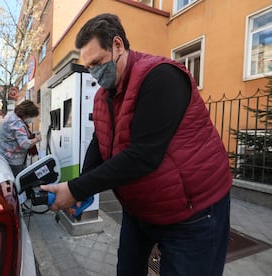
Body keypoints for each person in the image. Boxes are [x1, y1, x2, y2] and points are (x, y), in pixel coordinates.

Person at [41, 13, 232, 276]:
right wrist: (84, 186)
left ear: (118, 45)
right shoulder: (102, 96)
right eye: (89, 67)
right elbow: (100, 140)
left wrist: (74, 189)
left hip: (192, 212)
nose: (95, 73)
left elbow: (143, 156)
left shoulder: (161, 77)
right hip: (140, 209)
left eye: (98, 62)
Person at [0, 100, 42, 176]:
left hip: (4, 155)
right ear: (26, 114)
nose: (31, 120)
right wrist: (37, 139)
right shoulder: (17, 123)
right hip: (13, 160)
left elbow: (16, 135)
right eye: (31, 117)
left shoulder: (10, 115)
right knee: (17, 181)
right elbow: (25, 144)